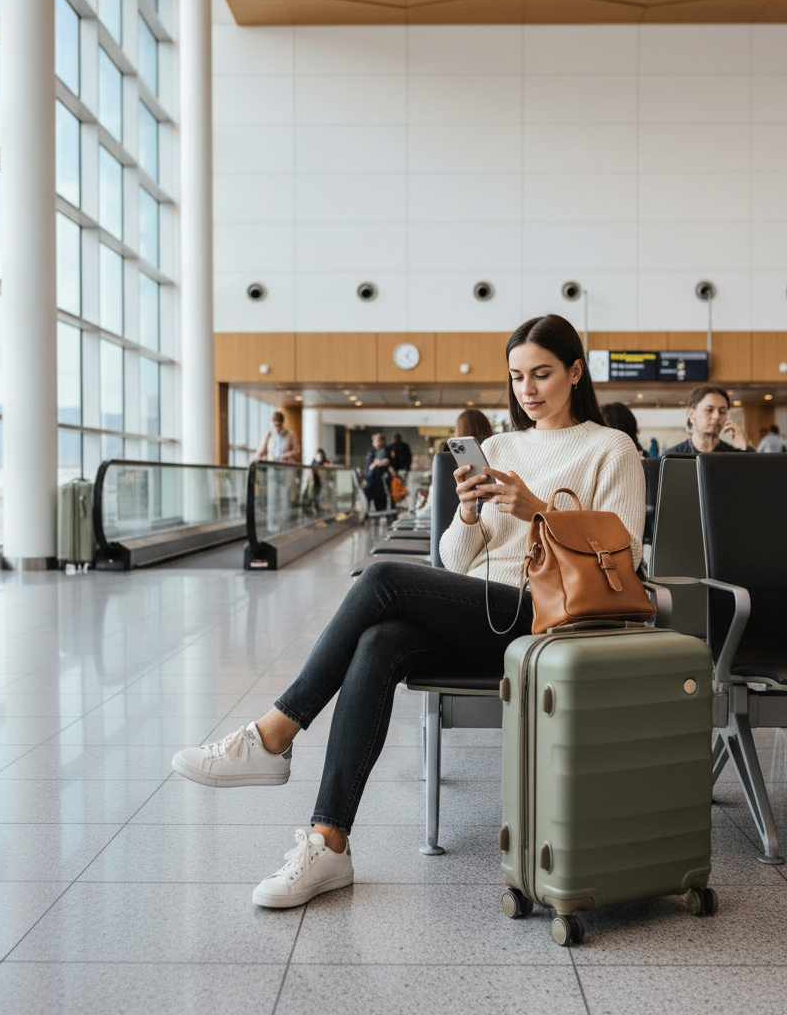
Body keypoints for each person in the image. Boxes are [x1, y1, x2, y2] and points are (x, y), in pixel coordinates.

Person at [171, 314, 644, 909]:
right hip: (484, 612)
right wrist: (471, 516)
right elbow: (452, 562)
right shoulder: (496, 447)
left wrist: (537, 510)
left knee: (382, 577)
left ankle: (274, 734)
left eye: (543, 374)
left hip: (552, 619)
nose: (528, 388)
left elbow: (623, 555)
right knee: (380, 643)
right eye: (518, 376)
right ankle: (329, 843)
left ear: (576, 372)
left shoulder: (611, 447)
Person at [661, 387, 754, 456]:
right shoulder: (672, 456)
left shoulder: (734, 455)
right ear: (691, 414)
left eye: (723, 412)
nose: (717, 416)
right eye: (709, 410)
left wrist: (745, 449)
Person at [362, 432, 393, 512]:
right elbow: (368, 467)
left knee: (381, 499)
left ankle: (381, 512)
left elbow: (389, 462)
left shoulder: (387, 451)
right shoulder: (371, 452)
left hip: (381, 479)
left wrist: (378, 462)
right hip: (372, 479)